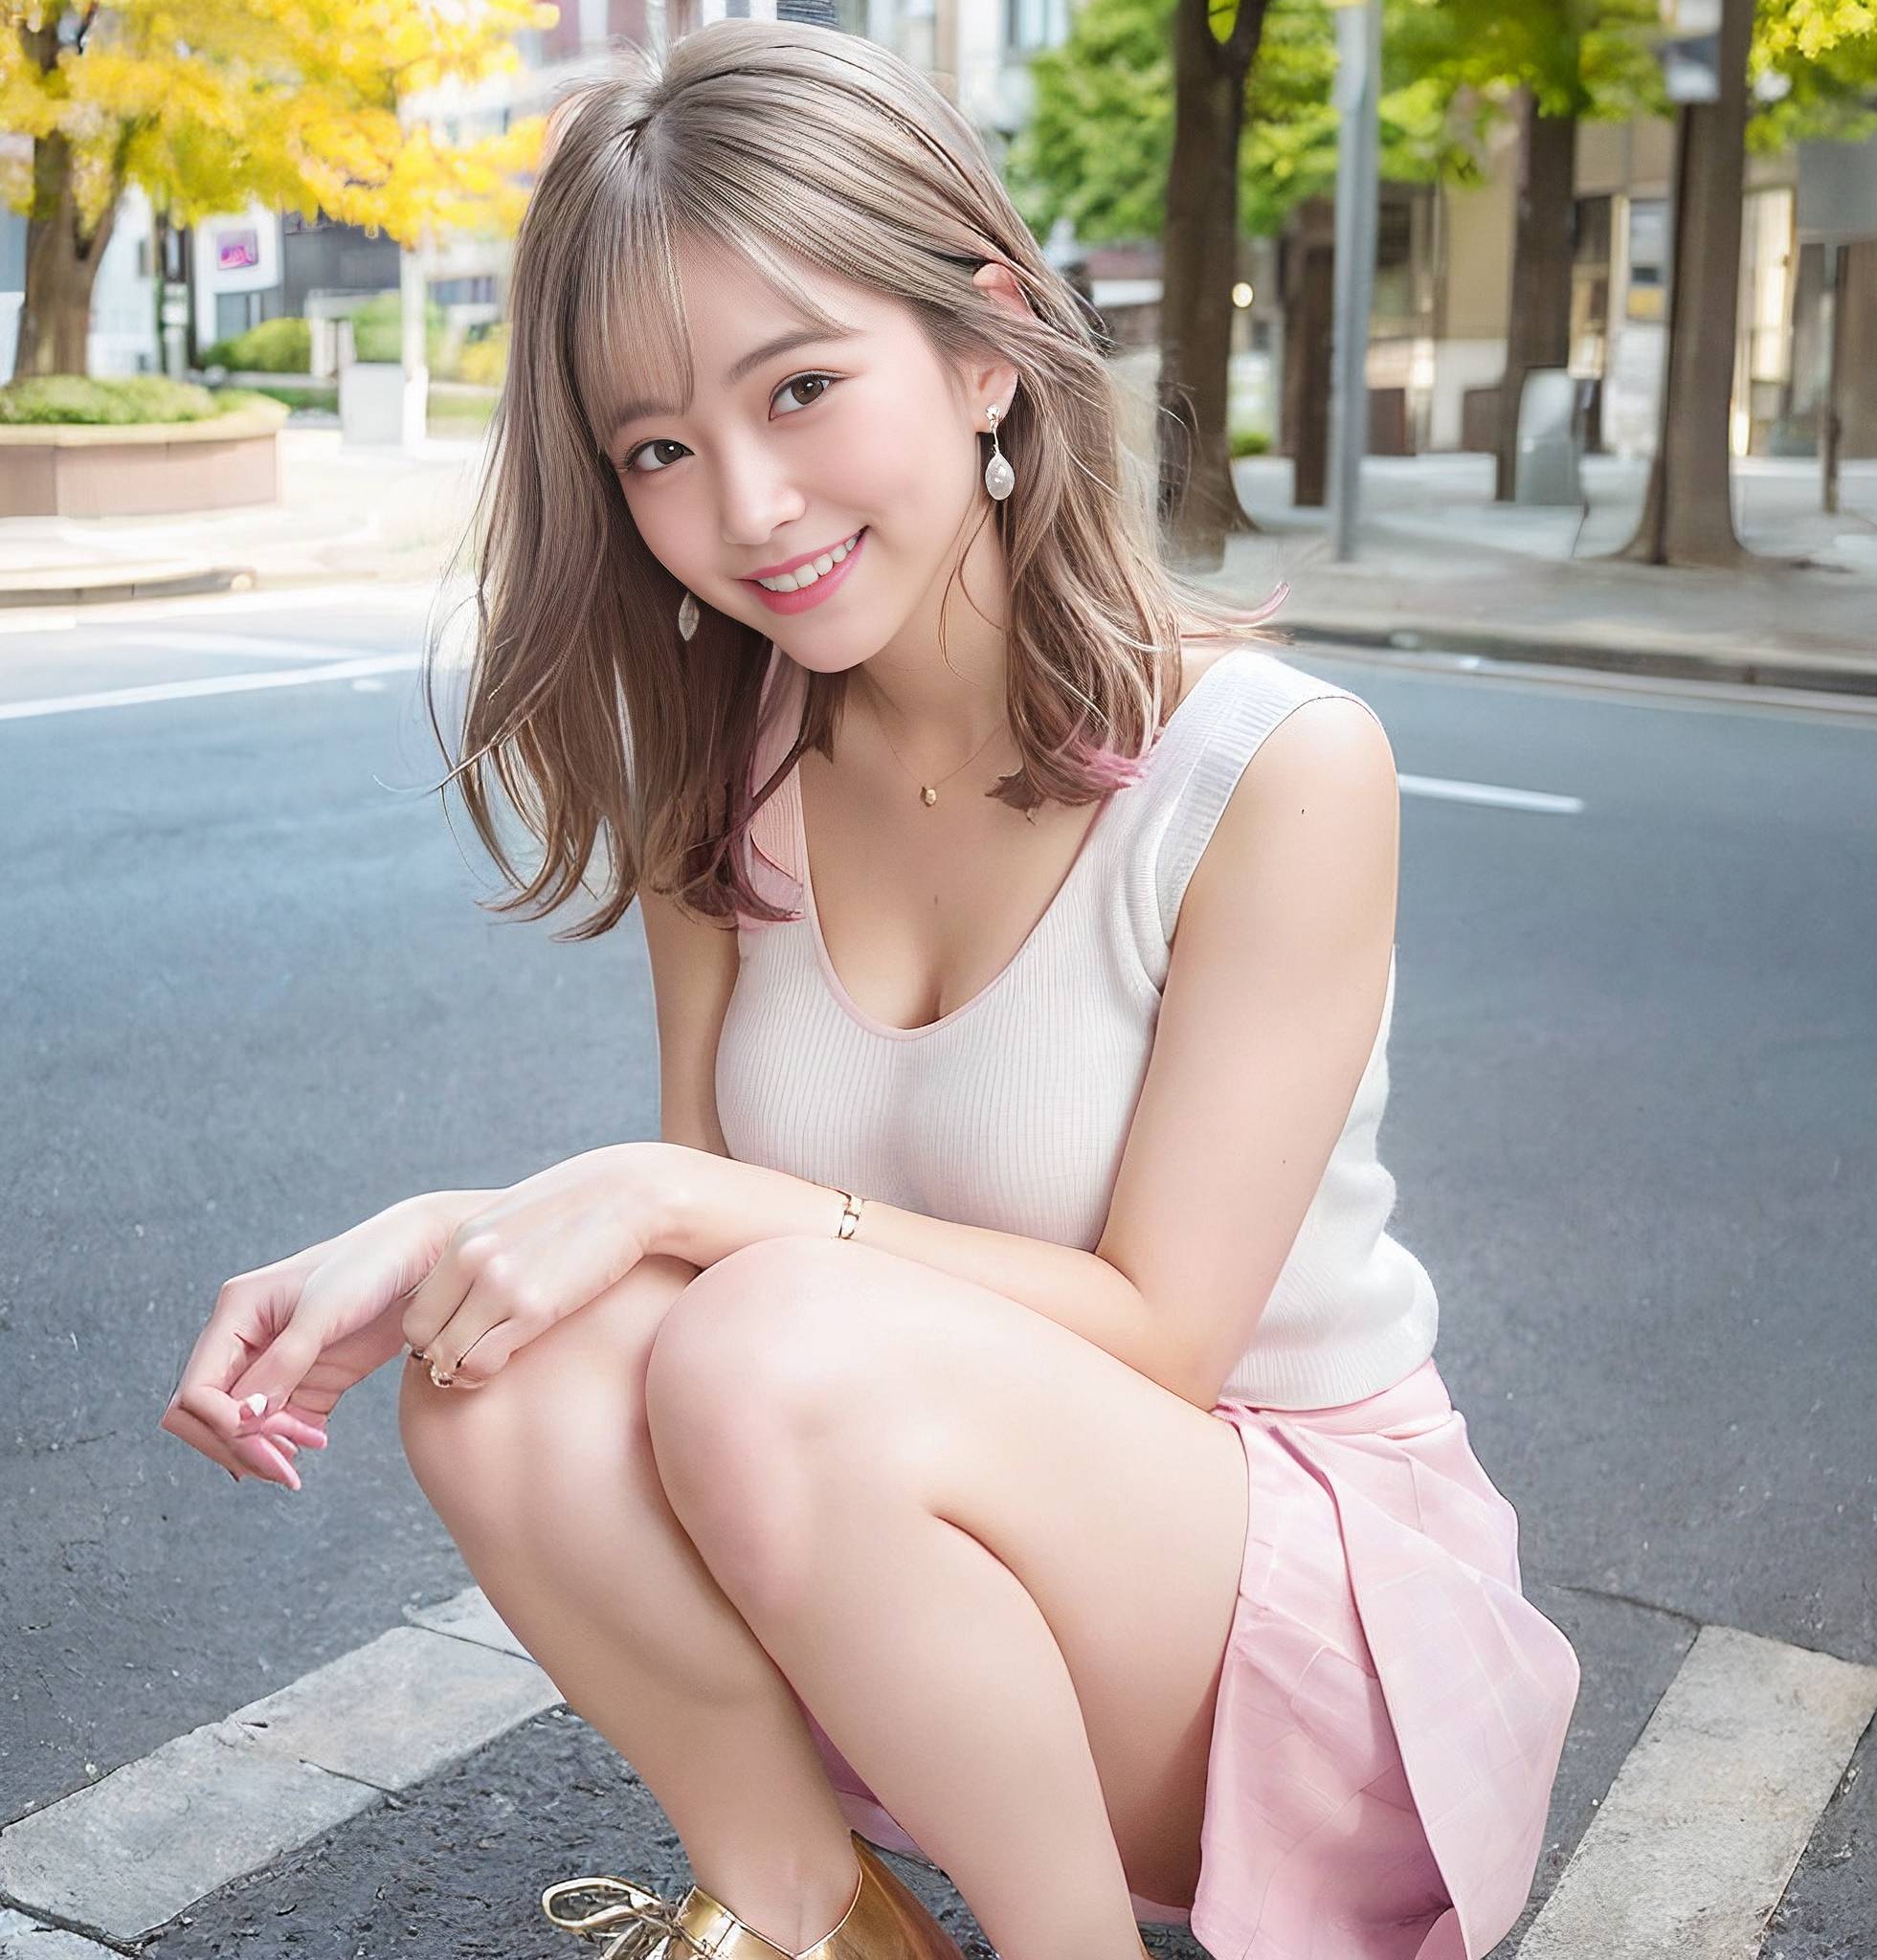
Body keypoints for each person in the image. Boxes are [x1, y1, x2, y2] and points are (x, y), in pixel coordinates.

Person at [160, 20, 1582, 1960]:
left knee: (764, 1342)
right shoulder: (719, 780)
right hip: (913, 1572)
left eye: (803, 386)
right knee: (501, 1376)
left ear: (988, 344)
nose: (745, 505)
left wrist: (665, 1201)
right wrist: (449, 1239)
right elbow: (674, 1281)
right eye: (658, 448)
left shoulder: (1271, 769)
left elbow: (1160, 1333)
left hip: (1287, 1621)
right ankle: (811, 1916)